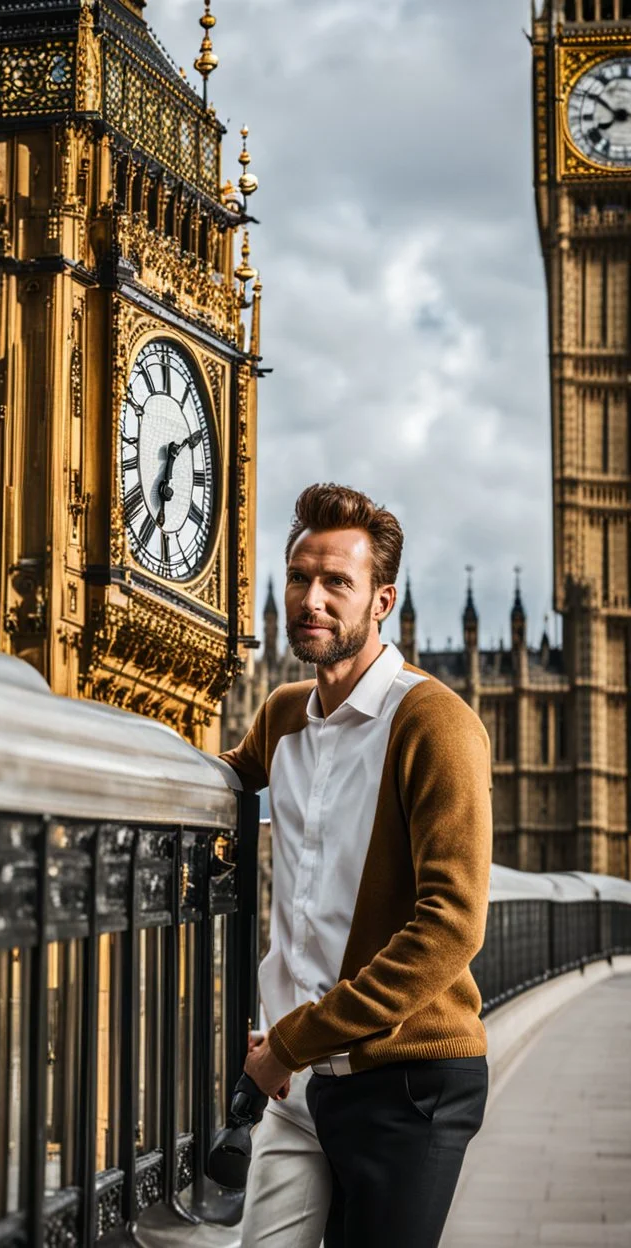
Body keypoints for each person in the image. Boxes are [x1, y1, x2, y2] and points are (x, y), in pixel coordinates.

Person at [220, 484, 493, 1248]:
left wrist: (292, 1040)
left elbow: (450, 930)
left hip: (405, 1080)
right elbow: (214, 778)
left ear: (383, 601)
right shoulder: (279, 716)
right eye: (300, 578)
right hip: (296, 1079)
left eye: (337, 581)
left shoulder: (436, 724)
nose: (313, 599)